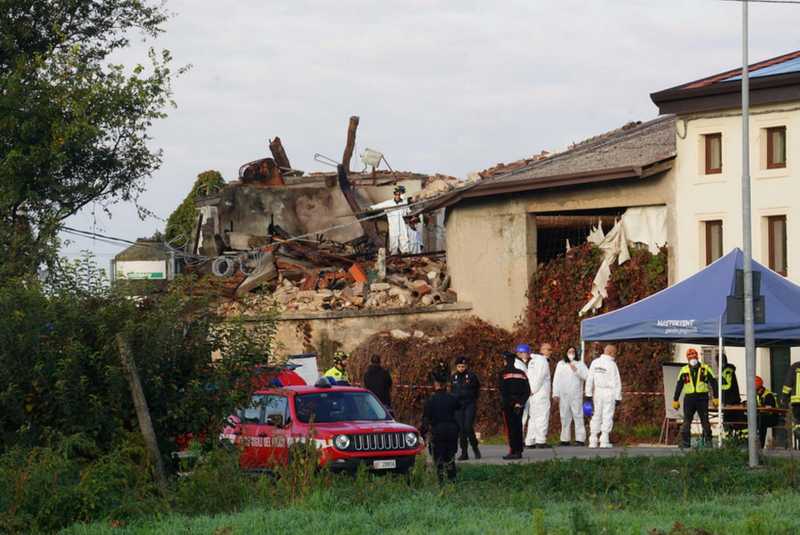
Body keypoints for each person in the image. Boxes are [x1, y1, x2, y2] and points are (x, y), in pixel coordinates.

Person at [672, 348, 719, 449]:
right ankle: (686, 443)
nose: (692, 357)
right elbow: (679, 385)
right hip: (689, 399)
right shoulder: (684, 370)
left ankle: (708, 442)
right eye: (690, 355)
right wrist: (675, 399)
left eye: (694, 355)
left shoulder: (705, 368)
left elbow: (714, 383)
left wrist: (716, 397)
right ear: (687, 358)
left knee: (705, 420)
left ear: (697, 356)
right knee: (687, 421)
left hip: (702, 398)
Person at [419, 374, 460, 482]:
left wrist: (422, 434)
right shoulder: (452, 398)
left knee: (439, 457)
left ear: (436, 385)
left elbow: (425, 419)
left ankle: (441, 480)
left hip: (438, 430)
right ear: (445, 385)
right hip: (452, 430)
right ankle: (452, 479)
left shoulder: (431, 400)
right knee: (450, 455)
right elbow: (459, 409)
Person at [585, 344, 622, 448]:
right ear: (611, 352)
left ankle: (593, 439)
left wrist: (588, 394)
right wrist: (618, 397)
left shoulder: (595, 362)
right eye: (614, 353)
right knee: (607, 415)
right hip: (609, 393)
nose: (615, 355)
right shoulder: (612, 364)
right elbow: (616, 382)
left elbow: (590, 379)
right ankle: (604, 440)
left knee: (596, 415)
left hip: (597, 392)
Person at [552, 346, 589, 446]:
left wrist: (576, 370)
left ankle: (580, 439)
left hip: (576, 394)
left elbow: (587, 376)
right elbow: (556, 379)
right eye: (569, 351)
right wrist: (555, 393)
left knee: (578, 416)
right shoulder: (561, 364)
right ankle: (565, 439)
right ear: (566, 352)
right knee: (564, 416)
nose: (571, 353)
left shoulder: (580, 364)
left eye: (573, 352)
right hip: (564, 394)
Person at [499, 351, 531, 460]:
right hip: (519, 405)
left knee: (510, 429)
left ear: (505, 361)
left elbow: (503, 391)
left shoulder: (503, 373)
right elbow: (527, 390)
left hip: (508, 404)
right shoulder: (521, 373)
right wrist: (520, 403)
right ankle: (519, 450)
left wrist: (509, 403)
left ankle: (513, 451)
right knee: (518, 427)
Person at [451, 356, 481, 460]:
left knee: (468, 427)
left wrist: (472, 399)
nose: (461, 368)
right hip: (458, 406)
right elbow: (451, 391)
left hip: (469, 404)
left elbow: (477, 389)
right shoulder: (453, 377)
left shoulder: (472, 376)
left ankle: (475, 448)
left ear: (466, 366)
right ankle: (464, 453)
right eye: (459, 366)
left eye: (463, 366)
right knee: (461, 429)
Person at [525, 343, 552, 449]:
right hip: (540, 393)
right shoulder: (542, 361)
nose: (550, 351)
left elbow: (529, 376)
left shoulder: (532, 361)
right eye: (548, 349)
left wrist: (530, 390)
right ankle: (540, 440)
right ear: (542, 350)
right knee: (542, 416)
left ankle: (530, 440)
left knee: (533, 417)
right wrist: (533, 390)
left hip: (532, 394)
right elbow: (540, 377)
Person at [781, 360, 800, 448]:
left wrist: (784, 398)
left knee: (798, 423)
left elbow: (788, 385)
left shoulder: (795, 367)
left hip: (797, 402)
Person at [754, 375, 777, 449]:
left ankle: (760, 446)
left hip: (773, 418)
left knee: (761, 421)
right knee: (753, 419)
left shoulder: (768, 395)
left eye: (756, 390)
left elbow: (769, 408)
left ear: (759, 388)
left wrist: (758, 408)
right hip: (763, 417)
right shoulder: (758, 395)